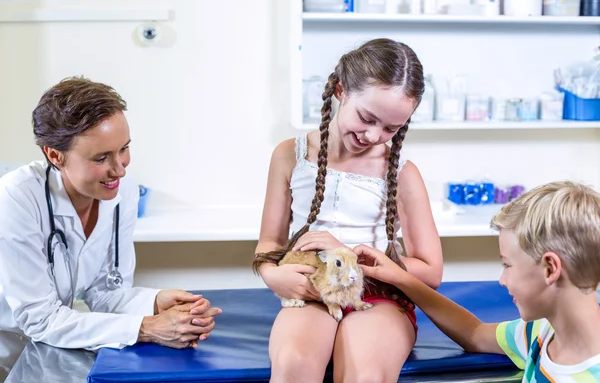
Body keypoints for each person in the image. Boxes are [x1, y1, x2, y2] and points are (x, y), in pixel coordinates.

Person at [252, 38, 443, 382]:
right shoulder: (289, 155)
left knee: (364, 372)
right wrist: (273, 275)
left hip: (378, 297)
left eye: (391, 128)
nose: (373, 135)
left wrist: (349, 255)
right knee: (293, 363)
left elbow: (431, 271)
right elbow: (269, 242)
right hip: (314, 290)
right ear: (341, 90)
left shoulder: (403, 174)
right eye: (367, 117)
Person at [0, 77, 222, 353]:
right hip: (6, 348)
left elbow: (104, 293)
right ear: (55, 156)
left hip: (53, 345)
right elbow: (39, 318)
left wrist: (157, 302)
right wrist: (148, 328)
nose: (120, 170)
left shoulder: (121, 192)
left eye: (124, 149)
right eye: (101, 158)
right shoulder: (16, 198)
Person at [354, 181, 600, 381]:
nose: (502, 280)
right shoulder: (542, 333)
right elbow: (474, 333)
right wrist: (401, 278)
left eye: (507, 265)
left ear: (550, 269)